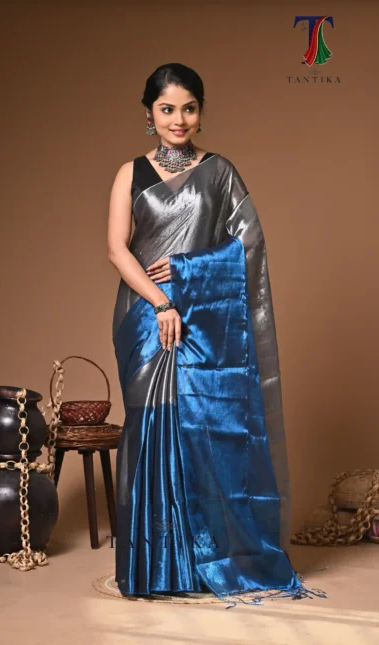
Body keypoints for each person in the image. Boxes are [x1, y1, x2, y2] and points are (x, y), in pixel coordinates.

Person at [107, 63, 327, 608]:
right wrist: (161, 302)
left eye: (189, 108)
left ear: (200, 112)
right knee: (152, 428)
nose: (178, 119)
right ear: (149, 113)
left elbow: (248, 247)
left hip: (204, 319)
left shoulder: (220, 172)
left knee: (202, 431)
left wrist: (188, 272)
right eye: (167, 109)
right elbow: (117, 249)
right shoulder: (129, 173)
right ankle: (155, 565)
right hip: (145, 317)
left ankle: (205, 559)